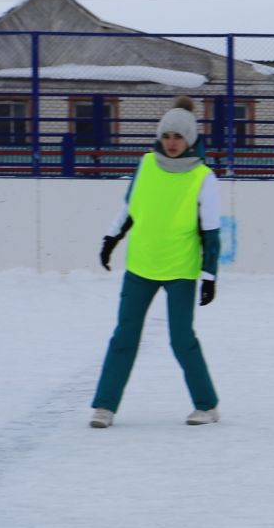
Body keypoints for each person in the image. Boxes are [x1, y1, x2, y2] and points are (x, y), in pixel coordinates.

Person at [90, 95, 222, 428]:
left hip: (180, 270)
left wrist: (209, 275)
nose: (172, 143)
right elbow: (130, 209)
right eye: (167, 136)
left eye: (178, 136)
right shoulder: (146, 164)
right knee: (124, 337)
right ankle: (105, 406)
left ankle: (207, 405)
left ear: (190, 138)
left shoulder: (203, 177)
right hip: (141, 267)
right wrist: (110, 239)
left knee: (181, 339)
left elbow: (211, 232)